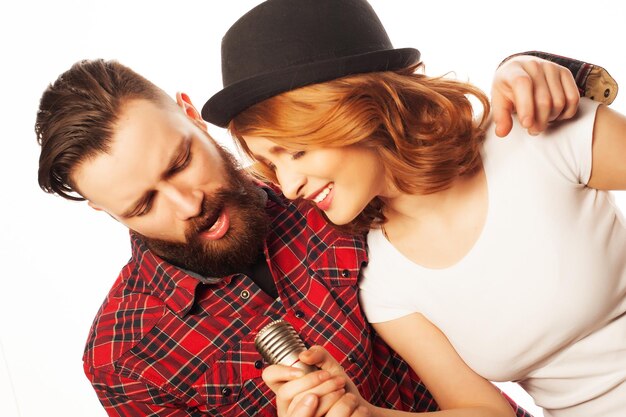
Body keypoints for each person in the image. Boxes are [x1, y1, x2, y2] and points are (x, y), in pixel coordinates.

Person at [35, 16, 614, 417]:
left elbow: (423, 138)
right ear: (102, 211)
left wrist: (546, 69)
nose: (189, 205)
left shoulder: (334, 193)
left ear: (192, 116)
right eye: (143, 204)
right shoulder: (125, 357)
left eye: (181, 162)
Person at [200, 1, 626, 416]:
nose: (288, 187)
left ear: (360, 108)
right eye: (272, 165)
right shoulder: (385, 283)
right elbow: (484, 411)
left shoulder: (535, 138)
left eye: (295, 151)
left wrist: (530, 63)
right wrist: (365, 414)